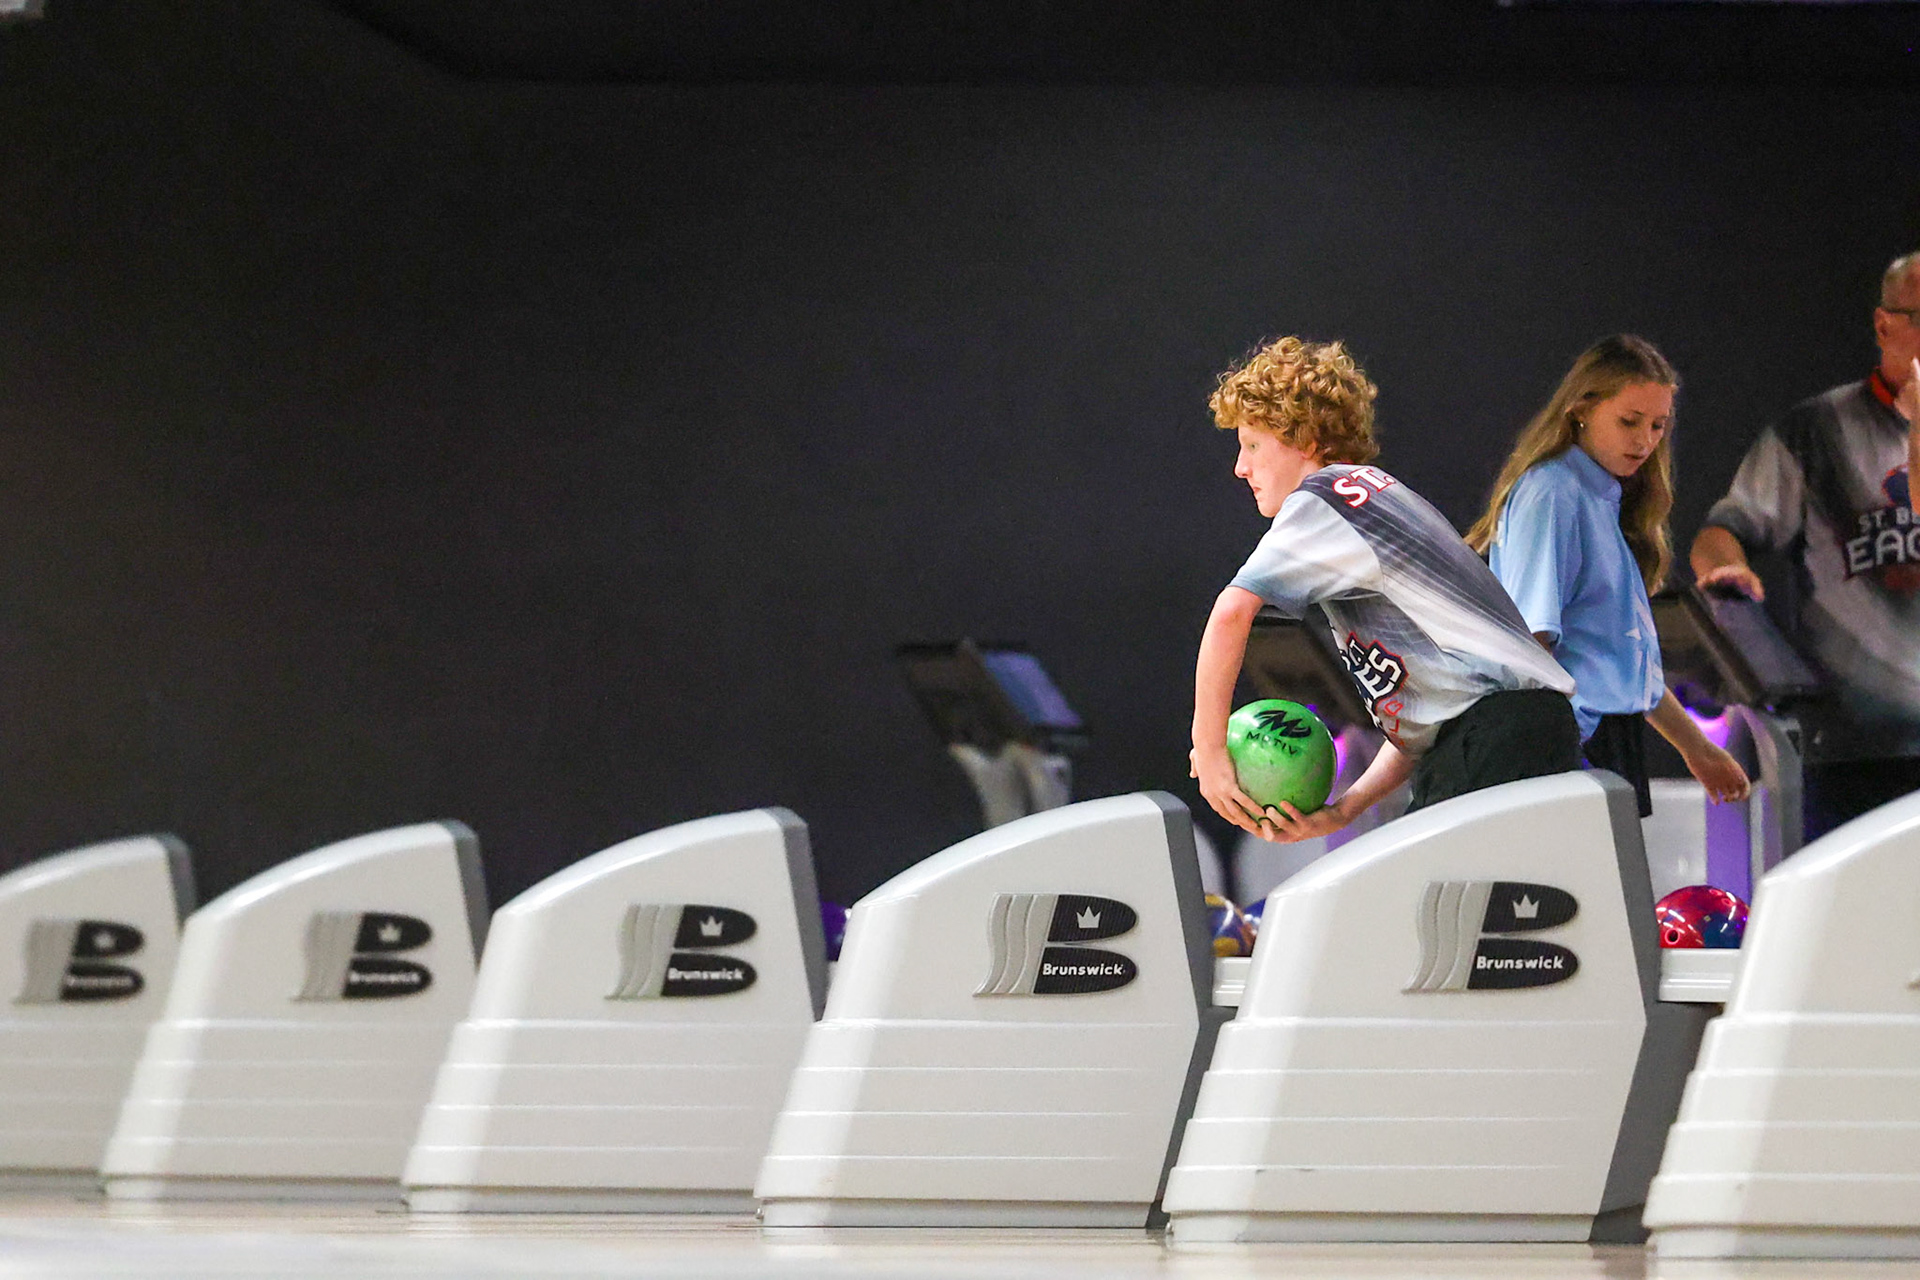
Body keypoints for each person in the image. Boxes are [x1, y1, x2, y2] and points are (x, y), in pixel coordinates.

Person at [1191, 335, 1581, 844]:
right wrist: (1345, 809)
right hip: (1523, 731)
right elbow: (1433, 713)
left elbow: (1230, 613)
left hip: (1493, 738)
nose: (1240, 467)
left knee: (1440, 892)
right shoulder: (1378, 500)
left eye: (1252, 445)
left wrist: (1209, 750)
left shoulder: (1321, 500)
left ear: (1304, 439)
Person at [1466, 335, 1750, 818]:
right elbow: (1529, 649)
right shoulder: (1553, 491)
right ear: (1581, 409)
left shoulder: (1599, 495)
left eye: (1658, 425)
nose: (1645, 441)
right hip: (1567, 747)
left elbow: (1622, 667)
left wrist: (1696, 748)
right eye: (1629, 421)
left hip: (1599, 742)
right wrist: (1546, 763)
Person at [1690, 251, 1920, 838]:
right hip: (1851, 747)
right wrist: (1727, 574)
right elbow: (1722, 532)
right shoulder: (1815, 431)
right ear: (1884, 325)